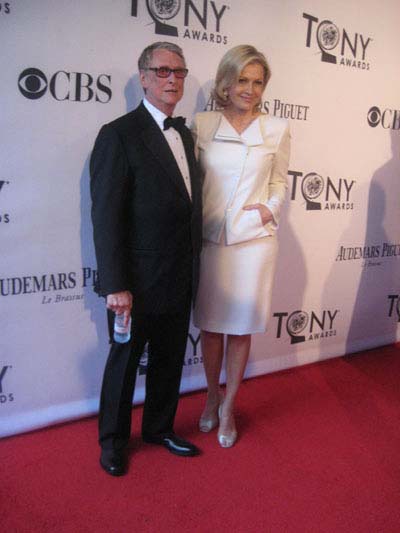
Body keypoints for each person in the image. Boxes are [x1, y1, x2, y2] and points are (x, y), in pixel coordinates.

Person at [90, 41, 202, 476]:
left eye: (179, 72)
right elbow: (105, 216)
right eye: (162, 71)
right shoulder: (117, 135)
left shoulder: (187, 133)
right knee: (122, 363)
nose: (172, 79)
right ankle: (113, 442)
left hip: (179, 275)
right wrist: (116, 284)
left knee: (170, 359)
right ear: (144, 78)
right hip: (134, 282)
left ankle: (159, 428)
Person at [192, 45, 290, 447]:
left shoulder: (277, 129)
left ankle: (230, 404)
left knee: (241, 330)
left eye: (257, 81)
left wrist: (268, 209)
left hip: (254, 242)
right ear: (226, 82)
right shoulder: (201, 124)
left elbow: (280, 182)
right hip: (211, 239)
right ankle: (211, 396)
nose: (249, 89)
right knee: (211, 328)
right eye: (242, 80)